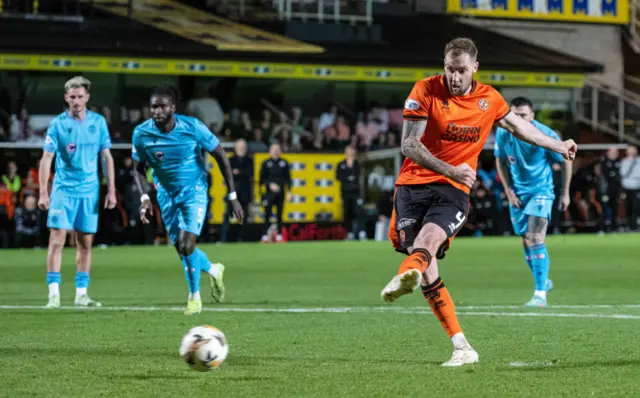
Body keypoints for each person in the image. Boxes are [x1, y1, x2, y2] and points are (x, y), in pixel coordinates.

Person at [381, 38, 576, 367]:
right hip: (413, 186)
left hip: (454, 190)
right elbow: (409, 145)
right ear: (443, 65)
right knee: (427, 267)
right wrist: (448, 167)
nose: (454, 77)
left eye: (461, 71)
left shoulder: (489, 99)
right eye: (449, 69)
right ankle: (462, 346)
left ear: (475, 68)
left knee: (429, 240)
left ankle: (405, 273)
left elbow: (521, 128)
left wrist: (558, 146)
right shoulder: (424, 90)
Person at [131, 84, 243, 315]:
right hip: (165, 195)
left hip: (194, 192)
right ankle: (213, 270)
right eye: (153, 106)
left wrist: (231, 196)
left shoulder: (193, 127)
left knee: (186, 245)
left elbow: (220, 155)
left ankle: (194, 298)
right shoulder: (141, 133)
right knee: (183, 251)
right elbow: (138, 168)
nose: (157, 111)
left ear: (173, 107)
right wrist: (144, 197)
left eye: (162, 106)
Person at [38, 76, 117, 308]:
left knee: (85, 242)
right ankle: (54, 294)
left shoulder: (99, 123)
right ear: (66, 98)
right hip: (64, 190)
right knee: (56, 240)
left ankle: (81, 294)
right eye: (72, 97)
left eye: (80, 96)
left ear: (87, 97)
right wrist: (44, 192)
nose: (76, 101)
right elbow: (46, 159)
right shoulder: (58, 124)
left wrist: (111, 190)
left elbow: (107, 157)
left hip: (89, 191)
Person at [494, 97, 573, 307]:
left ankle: (540, 295)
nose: (518, 119)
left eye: (522, 115)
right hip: (518, 194)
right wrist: (509, 191)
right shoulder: (504, 132)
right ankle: (543, 280)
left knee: (536, 237)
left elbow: (566, 159)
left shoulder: (545, 134)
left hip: (541, 191)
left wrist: (565, 192)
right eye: (514, 115)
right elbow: (500, 160)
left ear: (532, 116)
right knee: (526, 239)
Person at [222, 138, 254, 242]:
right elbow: (228, 174)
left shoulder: (250, 160)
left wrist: (237, 173)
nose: (242, 149)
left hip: (245, 192)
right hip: (232, 192)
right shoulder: (230, 160)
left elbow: (249, 174)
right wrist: (239, 173)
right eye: (240, 147)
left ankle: (242, 238)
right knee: (227, 214)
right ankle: (224, 239)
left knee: (244, 216)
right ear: (235, 148)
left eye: (244, 147)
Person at [259, 143, 291, 242]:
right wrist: (269, 185)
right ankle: (264, 234)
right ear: (270, 151)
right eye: (274, 149)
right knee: (267, 214)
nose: (276, 151)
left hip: (281, 193)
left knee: (280, 214)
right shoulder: (265, 163)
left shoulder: (284, 163)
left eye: (278, 149)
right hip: (269, 194)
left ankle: (279, 235)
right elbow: (261, 179)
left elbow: (288, 179)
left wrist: (289, 192)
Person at [336, 146, 365, 240]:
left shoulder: (356, 164)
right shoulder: (341, 164)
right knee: (347, 213)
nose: (350, 154)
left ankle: (361, 232)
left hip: (356, 192)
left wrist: (351, 168)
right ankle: (349, 232)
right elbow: (338, 177)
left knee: (358, 211)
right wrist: (348, 177)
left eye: (352, 152)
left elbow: (357, 176)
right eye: (348, 152)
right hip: (345, 192)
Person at [620, 145, 640, 231]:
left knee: (636, 206)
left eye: (633, 150)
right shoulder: (624, 161)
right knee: (628, 206)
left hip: (637, 187)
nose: (631, 152)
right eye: (630, 151)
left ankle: (634, 226)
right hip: (626, 187)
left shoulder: (639, 161)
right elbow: (622, 173)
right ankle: (628, 225)